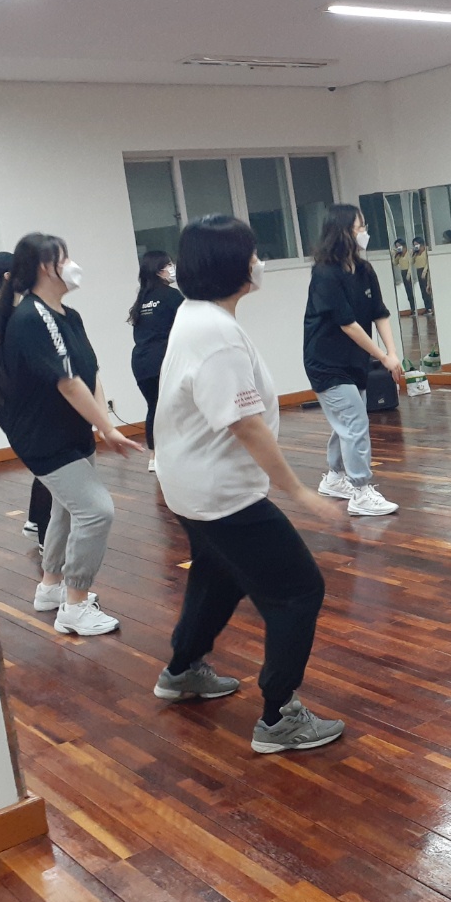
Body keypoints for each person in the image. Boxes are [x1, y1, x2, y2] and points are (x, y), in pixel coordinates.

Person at [153, 215, 347, 753]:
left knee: (217, 576)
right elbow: (245, 424)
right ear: (232, 265)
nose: (259, 261)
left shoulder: (196, 314)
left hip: (190, 486)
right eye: (253, 253)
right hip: (223, 494)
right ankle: (279, 717)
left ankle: (182, 670)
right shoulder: (216, 335)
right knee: (298, 590)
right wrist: (298, 490)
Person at [0, 233, 141, 635]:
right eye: (64, 258)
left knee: (67, 509)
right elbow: (68, 383)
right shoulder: (33, 318)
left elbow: (90, 372)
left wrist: (101, 423)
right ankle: (75, 606)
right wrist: (108, 429)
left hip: (71, 428)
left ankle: (51, 587)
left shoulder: (68, 315)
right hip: (42, 436)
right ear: (44, 267)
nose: (72, 265)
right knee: (96, 510)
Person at [303, 204, 403, 516]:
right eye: (360, 227)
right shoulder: (324, 274)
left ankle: (335, 478)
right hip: (326, 363)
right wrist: (382, 358)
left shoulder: (364, 270)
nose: (364, 232)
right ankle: (360, 492)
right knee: (355, 422)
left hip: (354, 362)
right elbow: (348, 324)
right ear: (343, 231)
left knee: (346, 422)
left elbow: (379, 313)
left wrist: (392, 353)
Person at [0, 251, 53, 547]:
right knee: (51, 470)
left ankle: (35, 522)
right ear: (8, 276)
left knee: (47, 468)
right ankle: (46, 540)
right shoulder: (5, 315)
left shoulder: (0, 311)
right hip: (19, 408)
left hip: (14, 406)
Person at [128, 250, 183, 473]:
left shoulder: (142, 298)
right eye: (169, 264)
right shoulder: (172, 296)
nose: (172, 268)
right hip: (162, 359)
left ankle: (155, 455)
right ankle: (177, 453)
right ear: (159, 270)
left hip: (141, 362)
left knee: (154, 406)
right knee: (175, 406)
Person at [410, 236, 434, 315]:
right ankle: (427, 307)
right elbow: (411, 262)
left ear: (421, 244)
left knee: (428, 289)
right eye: (414, 245)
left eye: (417, 244)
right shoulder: (416, 253)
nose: (416, 246)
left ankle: (432, 307)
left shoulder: (426, 251)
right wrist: (413, 254)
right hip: (419, 270)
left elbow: (428, 262)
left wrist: (425, 271)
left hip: (426, 271)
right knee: (423, 290)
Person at [392, 238, 416, 310]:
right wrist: (395, 255)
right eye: (396, 246)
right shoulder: (399, 255)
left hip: (409, 272)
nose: (398, 248)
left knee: (411, 290)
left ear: (404, 246)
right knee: (408, 291)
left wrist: (409, 273)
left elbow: (410, 264)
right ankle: (412, 308)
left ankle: (415, 307)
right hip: (403, 272)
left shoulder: (409, 253)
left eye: (399, 246)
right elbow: (395, 263)